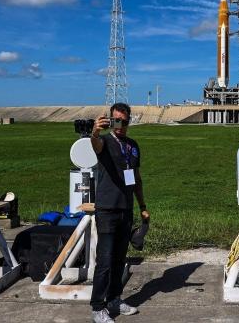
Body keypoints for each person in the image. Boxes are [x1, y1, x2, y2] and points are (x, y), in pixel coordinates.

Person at [89, 103, 149, 323]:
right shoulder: (104, 141)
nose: (120, 126)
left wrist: (142, 206)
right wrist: (95, 131)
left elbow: (137, 179)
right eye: (116, 121)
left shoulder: (133, 146)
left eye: (124, 121)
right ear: (111, 121)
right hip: (107, 209)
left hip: (126, 208)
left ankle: (115, 299)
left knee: (119, 260)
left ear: (129, 121)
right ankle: (98, 307)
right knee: (104, 261)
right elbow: (95, 145)